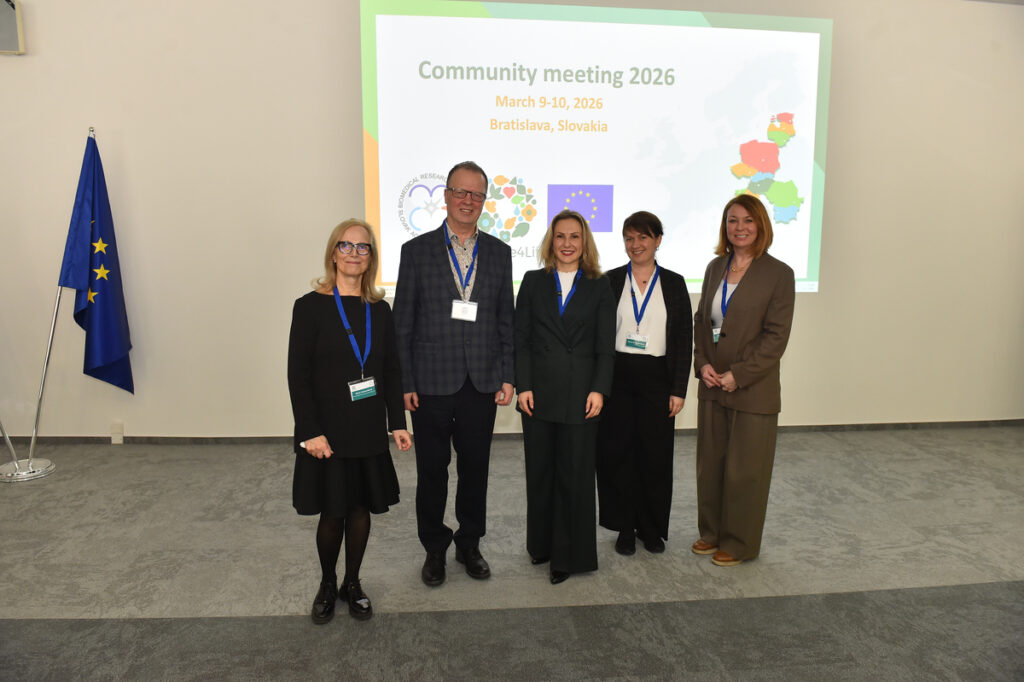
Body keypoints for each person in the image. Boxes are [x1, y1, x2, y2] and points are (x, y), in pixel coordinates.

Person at [392, 161, 515, 587]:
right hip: (429, 383)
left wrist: (507, 375)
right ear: (445, 196)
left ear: (484, 201)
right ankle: (434, 549)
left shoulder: (500, 252)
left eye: (476, 195)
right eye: (460, 193)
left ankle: (469, 543)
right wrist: (405, 383)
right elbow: (402, 323)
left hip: (481, 381)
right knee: (432, 471)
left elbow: (505, 319)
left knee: (476, 469)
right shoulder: (416, 251)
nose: (467, 201)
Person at [287, 218, 412, 624]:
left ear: (371, 257)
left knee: (360, 510)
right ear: (332, 253)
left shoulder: (380, 309)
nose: (354, 254)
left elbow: (392, 370)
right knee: (332, 513)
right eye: (346, 246)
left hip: (367, 427)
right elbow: (298, 375)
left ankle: (353, 583)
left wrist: (398, 423)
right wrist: (309, 432)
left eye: (363, 248)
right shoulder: (309, 307)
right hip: (326, 431)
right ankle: (327, 583)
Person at [691, 194, 795, 567]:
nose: (740, 228)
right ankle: (712, 532)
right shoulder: (715, 267)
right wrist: (702, 363)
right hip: (713, 384)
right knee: (712, 464)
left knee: (746, 470)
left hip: (752, 389)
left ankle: (740, 542)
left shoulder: (779, 274)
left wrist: (740, 374)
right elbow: (703, 321)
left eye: (748, 221)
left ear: (761, 225)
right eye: (733, 220)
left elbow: (775, 337)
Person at [515, 209, 615, 584]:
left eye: (575, 237)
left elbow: (606, 346)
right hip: (537, 396)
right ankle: (540, 546)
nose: (568, 244)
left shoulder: (599, 285)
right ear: (550, 241)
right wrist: (522, 385)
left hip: (581, 395)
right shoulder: (532, 281)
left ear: (584, 242)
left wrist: (599, 389)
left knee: (573, 476)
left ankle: (567, 556)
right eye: (561, 236)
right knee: (540, 472)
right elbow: (521, 340)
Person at [596, 211, 692, 556]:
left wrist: (678, 389)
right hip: (617, 377)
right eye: (629, 238)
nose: (635, 245)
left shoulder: (674, 283)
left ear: (658, 241)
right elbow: (599, 336)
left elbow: (683, 338)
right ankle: (624, 526)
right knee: (618, 454)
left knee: (655, 456)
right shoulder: (608, 281)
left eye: (643, 238)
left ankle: (651, 528)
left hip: (658, 379)